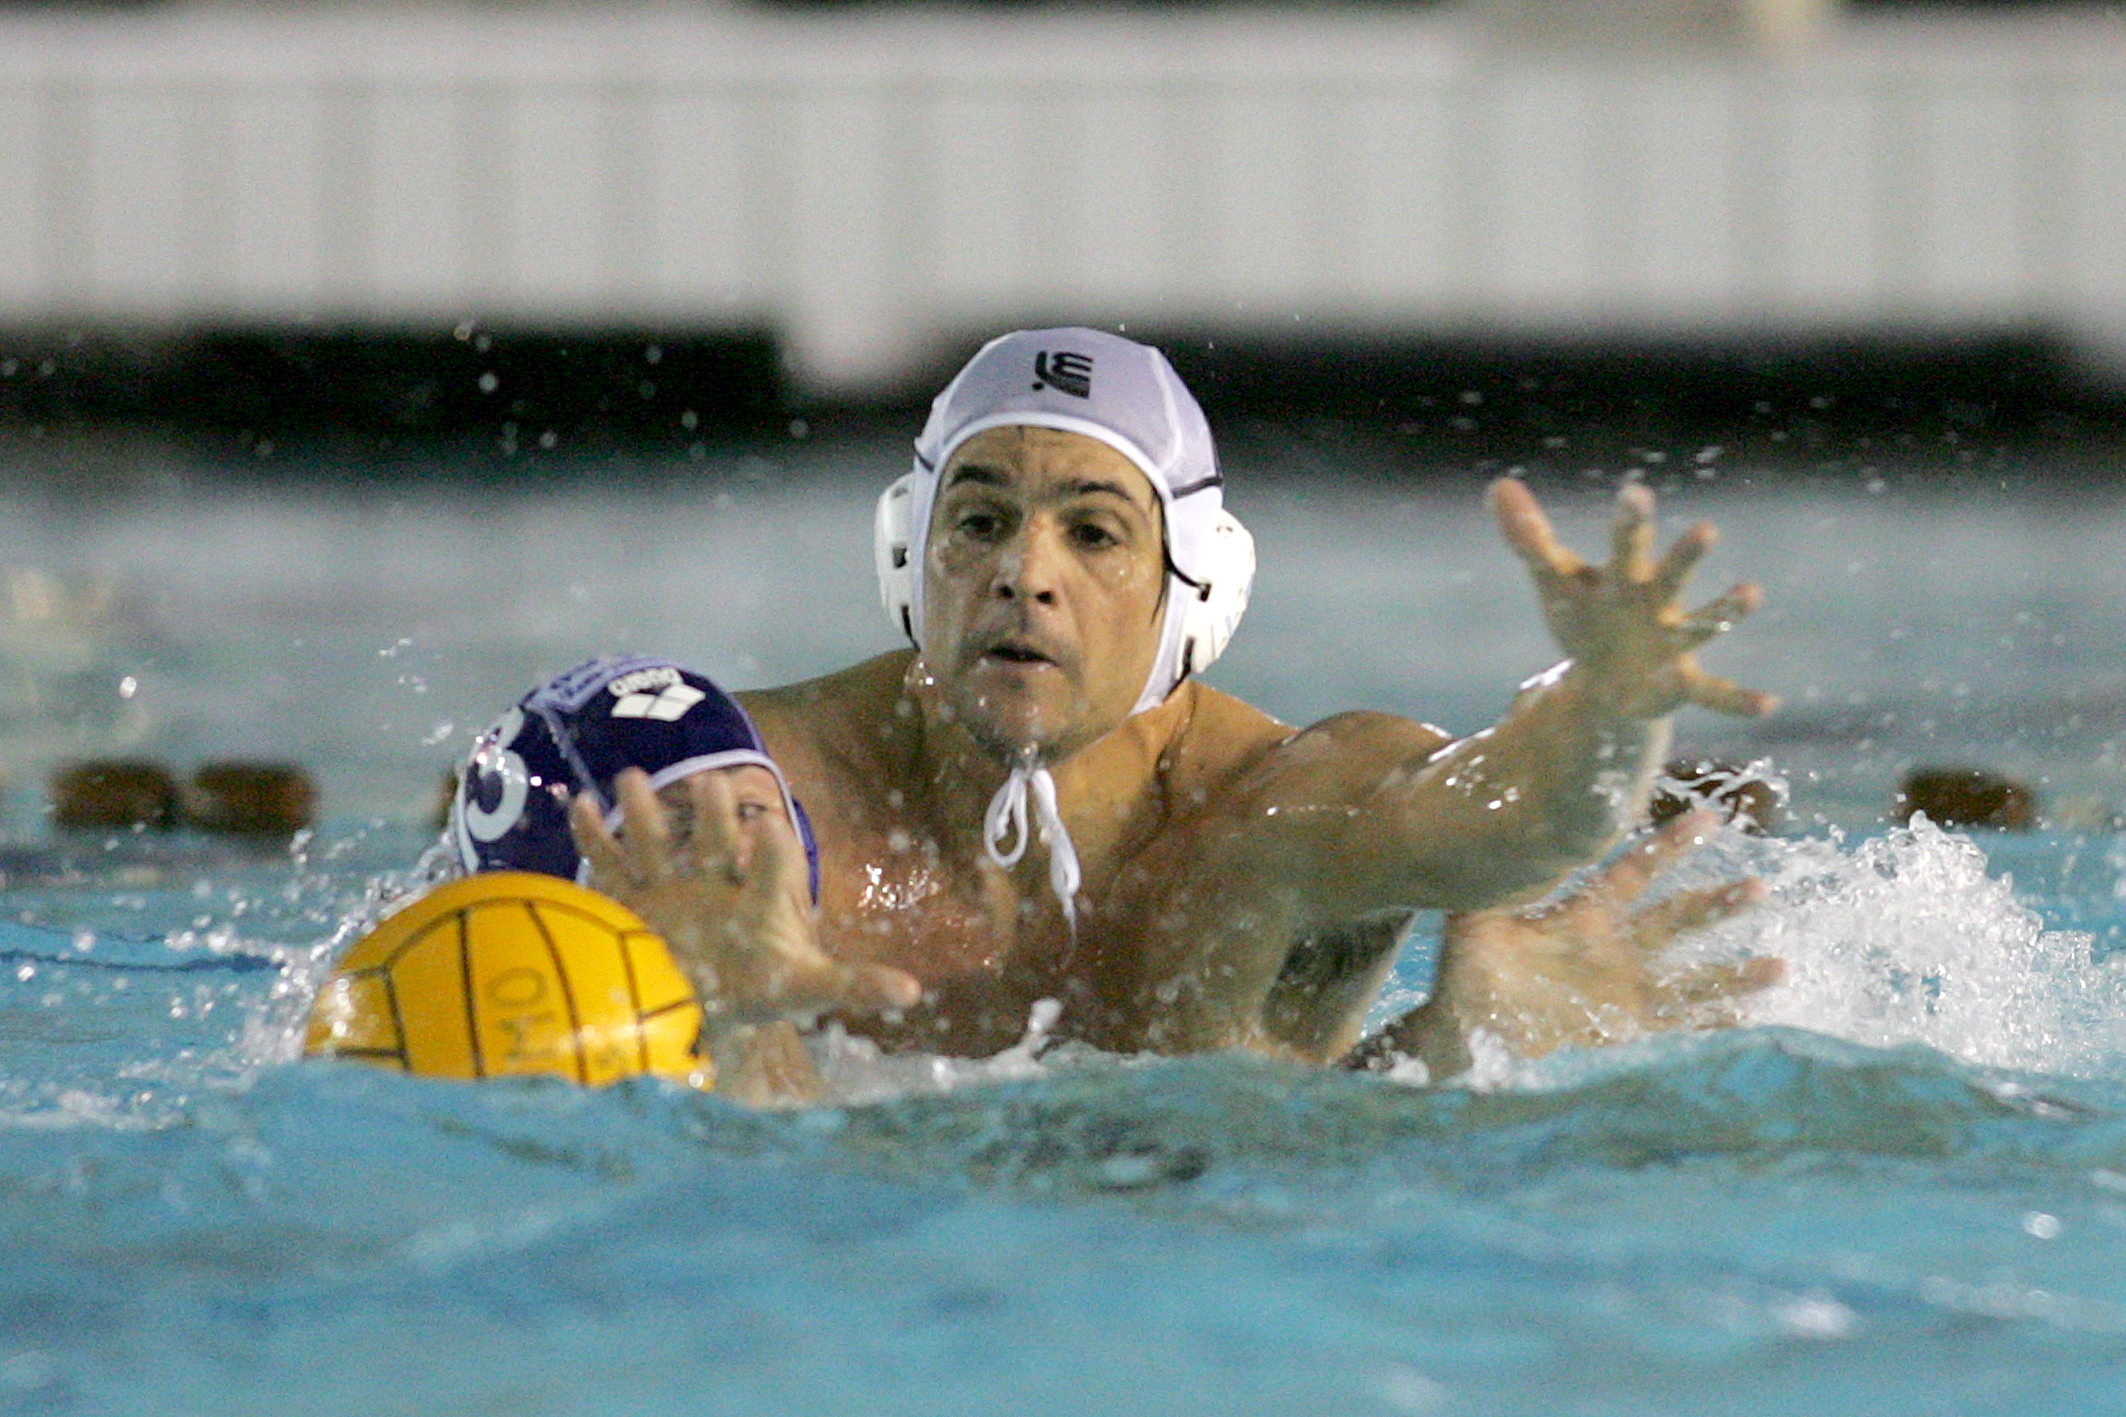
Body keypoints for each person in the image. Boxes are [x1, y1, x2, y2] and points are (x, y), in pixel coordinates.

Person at [570, 329, 1780, 1081]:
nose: (1022, 571)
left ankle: (1459, 1045)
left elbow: (1516, 819)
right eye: (979, 520)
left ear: (1196, 592)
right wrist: (698, 1018)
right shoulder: (740, 789)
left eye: (1093, 532)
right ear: (909, 555)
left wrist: (1614, 704)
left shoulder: (1273, 816)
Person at [450, 655, 894, 1102]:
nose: (738, 858)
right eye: (683, 832)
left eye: (751, 811)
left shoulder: (867, 1066)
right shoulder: (500, 1084)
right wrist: (721, 1027)